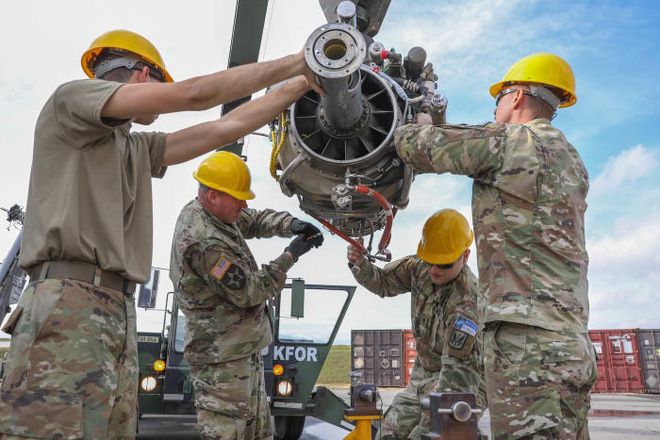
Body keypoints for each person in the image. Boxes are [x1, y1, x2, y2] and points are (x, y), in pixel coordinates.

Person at [0, 29, 320, 439]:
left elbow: (229, 126)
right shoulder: (72, 101)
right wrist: (299, 60)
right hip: (69, 301)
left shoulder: (131, 146)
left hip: (115, 307)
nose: (162, 91)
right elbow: (193, 95)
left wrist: (305, 81)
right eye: (158, 81)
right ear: (139, 74)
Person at [394, 53, 597, 439]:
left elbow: (416, 145)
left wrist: (418, 118)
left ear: (518, 95)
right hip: (572, 345)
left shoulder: (509, 143)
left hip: (527, 349)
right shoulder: (572, 159)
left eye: (500, 97)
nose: (496, 105)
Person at [169, 151, 323, 440]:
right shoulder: (203, 241)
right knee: (231, 432)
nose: (244, 203)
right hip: (221, 360)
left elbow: (253, 220)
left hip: (240, 351)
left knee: (257, 431)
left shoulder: (215, 213)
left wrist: (291, 224)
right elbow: (251, 291)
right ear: (212, 195)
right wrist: (292, 254)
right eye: (238, 197)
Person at [347, 209, 485, 440]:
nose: (433, 270)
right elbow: (382, 283)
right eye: (430, 261)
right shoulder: (419, 267)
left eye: (443, 264)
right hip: (424, 375)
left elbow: (456, 375)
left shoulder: (467, 304)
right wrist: (359, 262)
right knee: (388, 435)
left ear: (465, 256)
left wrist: (442, 427)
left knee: (432, 435)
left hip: (463, 383)